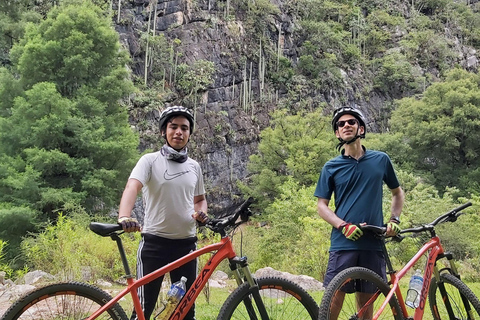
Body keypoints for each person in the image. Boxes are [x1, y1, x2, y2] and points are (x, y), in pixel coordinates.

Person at [117, 105, 208, 320]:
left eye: (184, 128)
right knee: (143, 310)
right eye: (173, 127)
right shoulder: (149, 161)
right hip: (153, 244)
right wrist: (124, 216)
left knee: (185, 312)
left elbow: (200, 200)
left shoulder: (195, 167)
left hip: (186, 246)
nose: (179, 132)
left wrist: (201, 213)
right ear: (163, 132)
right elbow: (132, 187)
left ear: (189, 134)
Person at [314, 106, 405, 319]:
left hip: (373, 241)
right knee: (334, 298)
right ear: (337, 132)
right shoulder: (331, 167)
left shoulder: (381, 160)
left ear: (360, 128)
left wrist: (394, 219)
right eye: (341, 124)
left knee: (366, 302)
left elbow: (397, 193)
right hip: (343, 242)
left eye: (351, 122)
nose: (346, 125)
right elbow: (321, 206)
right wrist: (342, 225)